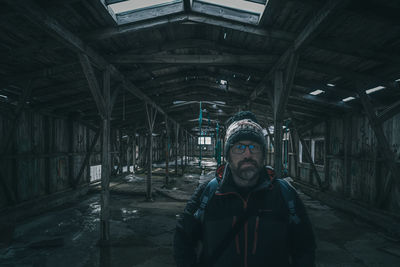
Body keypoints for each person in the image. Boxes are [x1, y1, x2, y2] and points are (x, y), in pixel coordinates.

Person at [174, 111, 316, 267]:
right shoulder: (208, 193)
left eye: (254, 147)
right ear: (228, 155)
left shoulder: (285, 194)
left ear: (263, 154)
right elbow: (183, 240)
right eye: (239, 147)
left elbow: (305, 246)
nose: (247, 154)